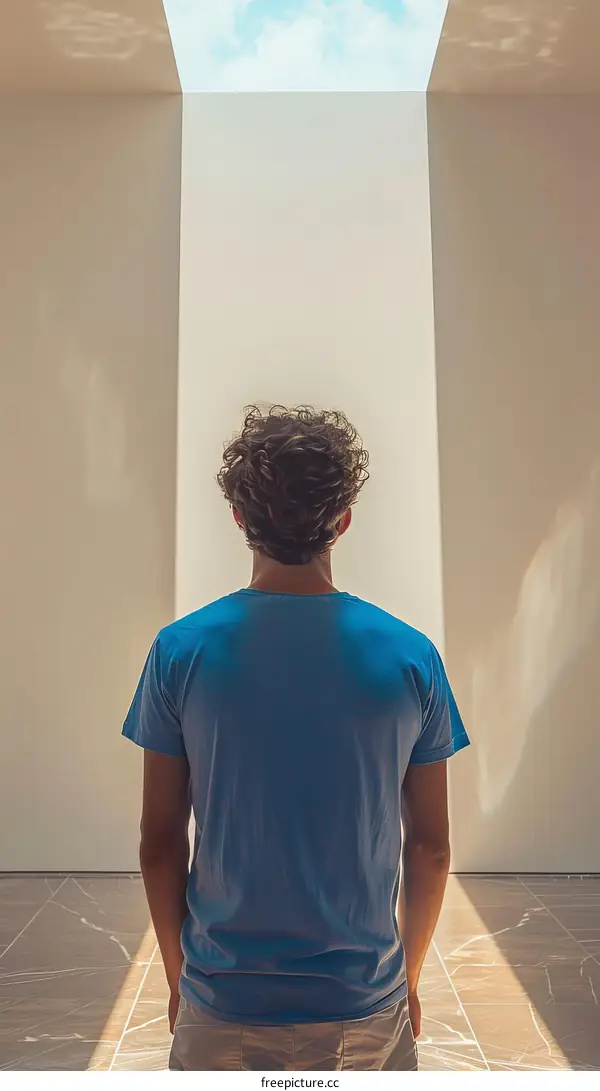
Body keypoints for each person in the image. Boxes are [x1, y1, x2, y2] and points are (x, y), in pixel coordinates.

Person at [123, 405, 469, 1071]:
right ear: (341, 521)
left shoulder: (179, 651)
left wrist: (179, 980)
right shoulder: (411, 656)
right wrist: (409, 982)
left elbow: (158, 842)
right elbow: (431, 847)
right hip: (365, 1006)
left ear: (239, 519)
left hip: (221, 1002)